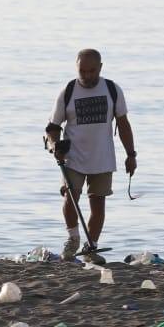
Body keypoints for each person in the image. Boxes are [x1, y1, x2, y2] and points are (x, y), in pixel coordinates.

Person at [44, 48, 137, 262]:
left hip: (102, 158)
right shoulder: (68, 90)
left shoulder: (112, 89)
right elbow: (52, 127)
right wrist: (55, 145)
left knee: (98, 204)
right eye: (82, 71)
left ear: (100, 68)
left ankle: (91, 247)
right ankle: (73, 238)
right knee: (70, 197)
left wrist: (131, 154)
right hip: (73, 157)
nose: (86, 76)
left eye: (91, 71)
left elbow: (123, 125)